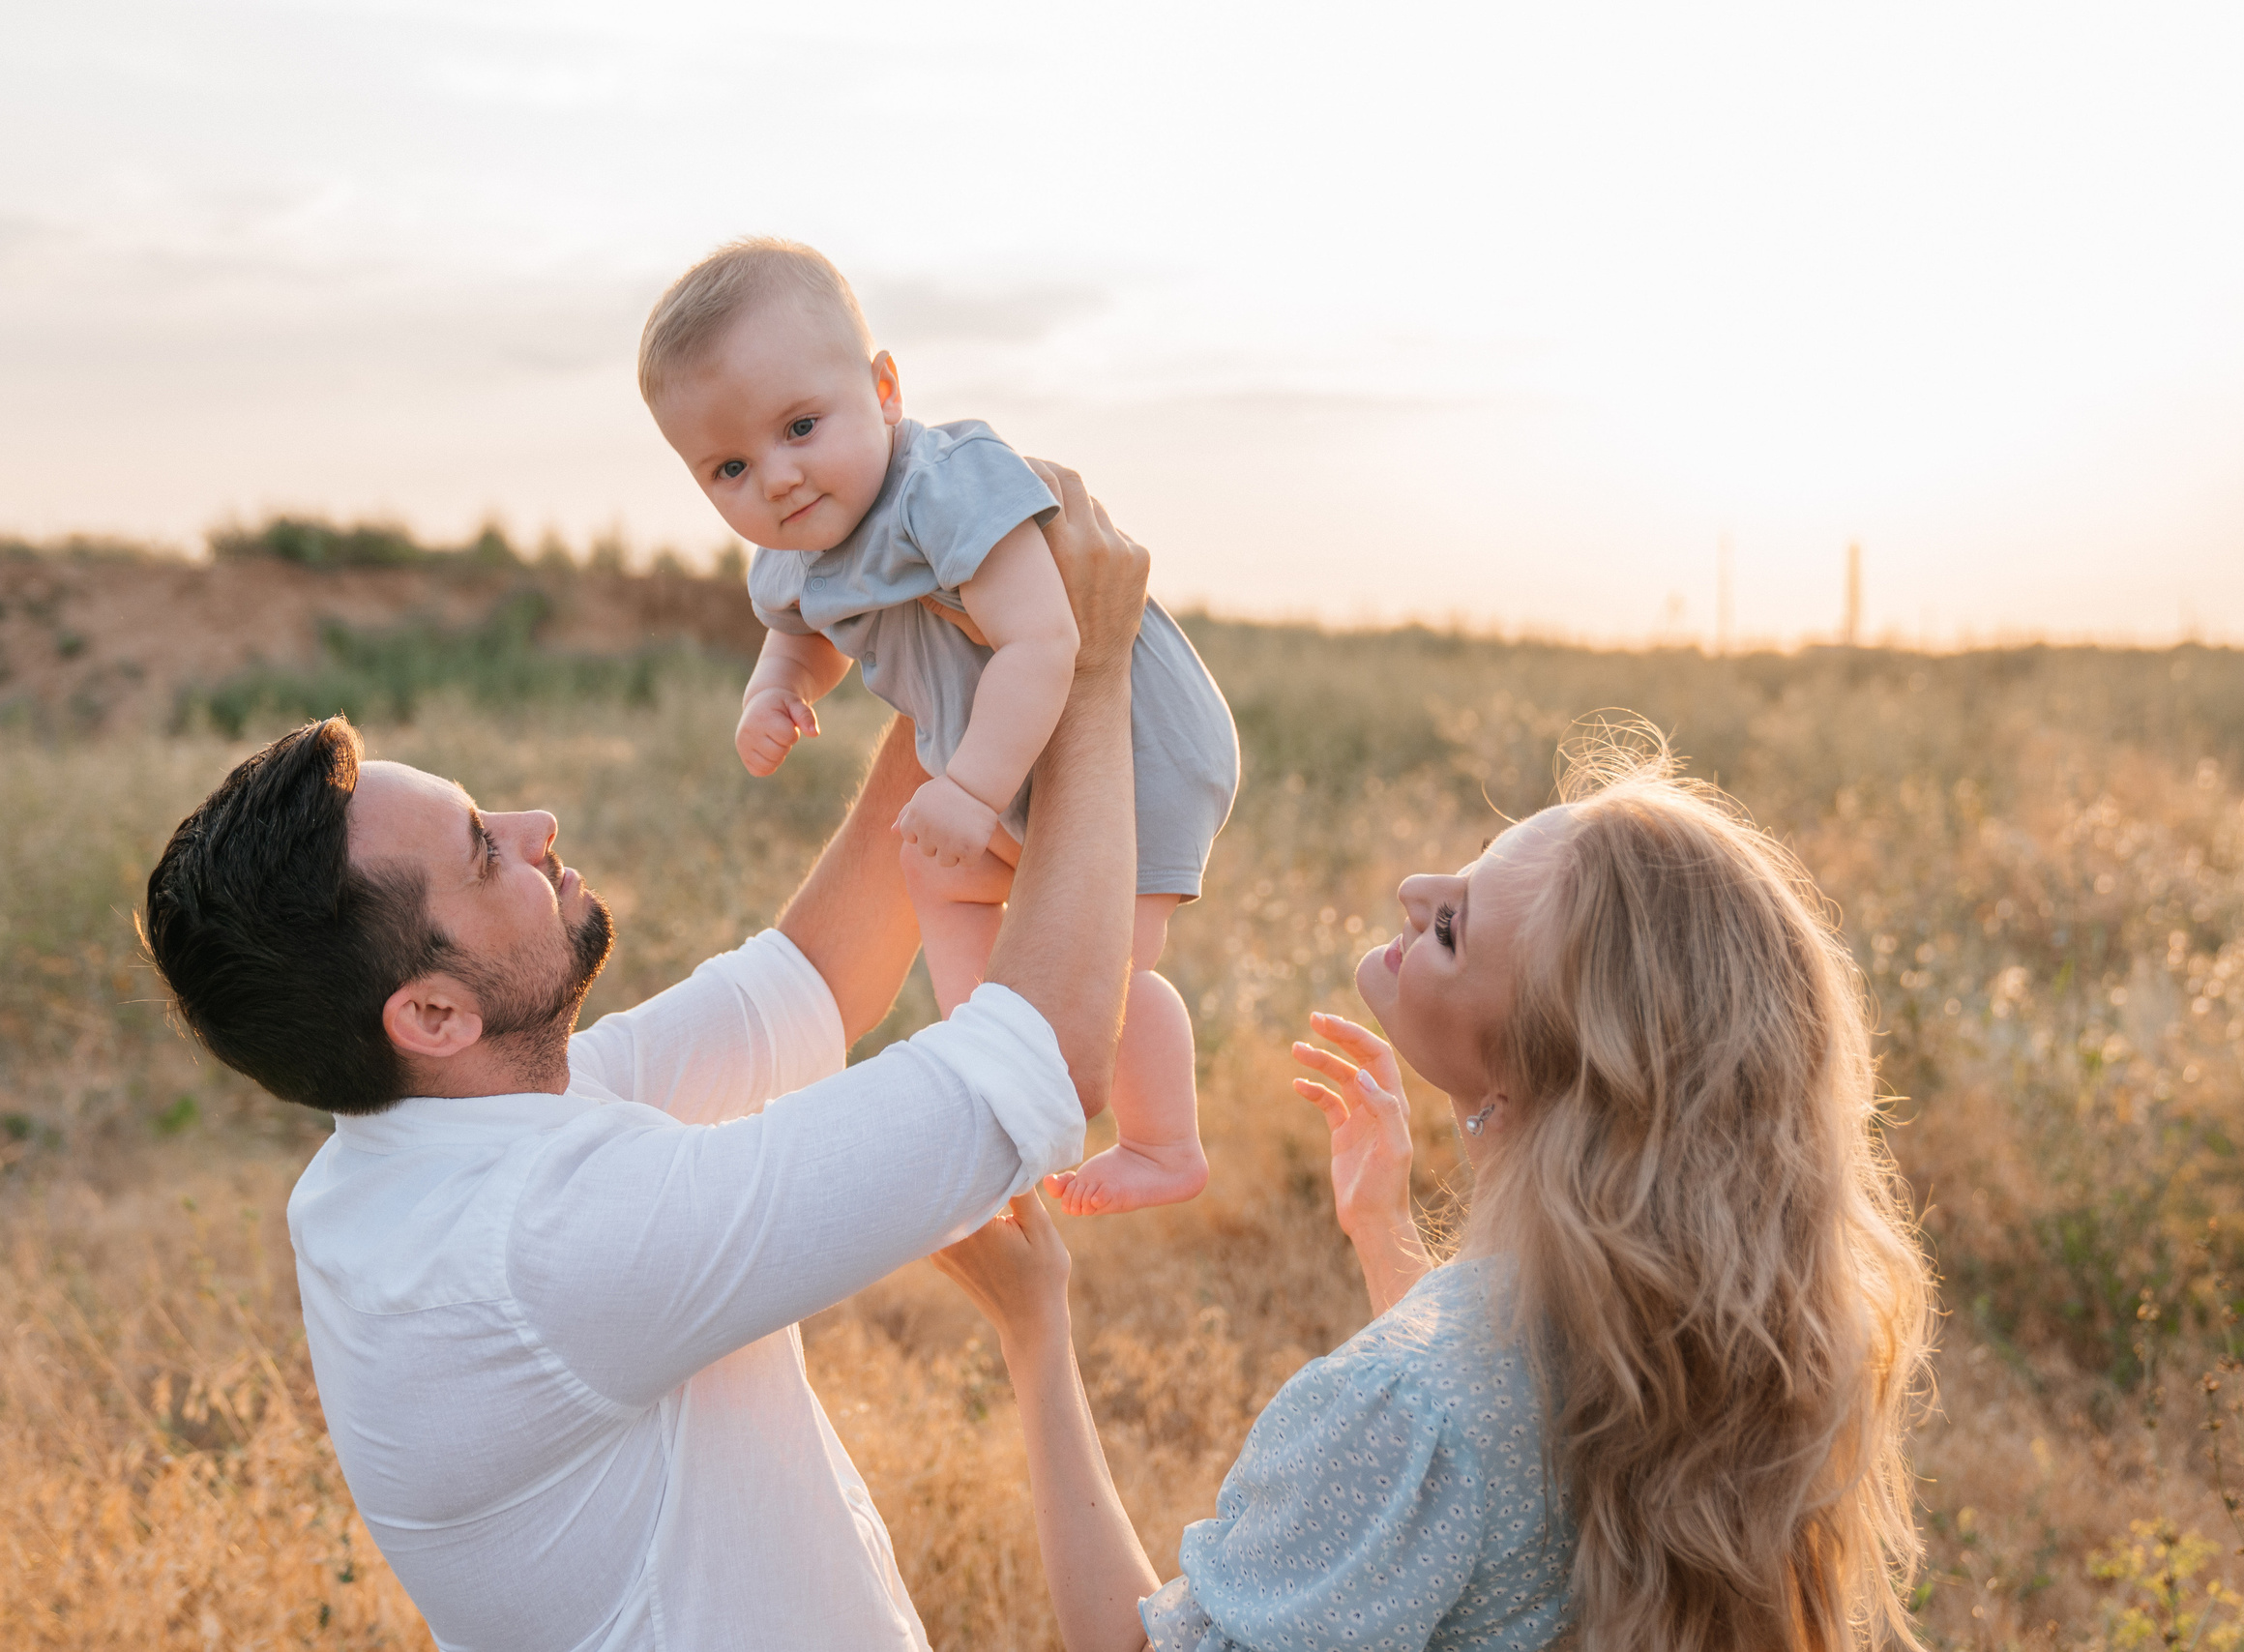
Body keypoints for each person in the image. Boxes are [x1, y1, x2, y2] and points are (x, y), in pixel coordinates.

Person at [138, 467, 1150, 1652]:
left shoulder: (442, 1130)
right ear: (432, 1015)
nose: (534, 826)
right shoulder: (539, 1248)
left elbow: (817, 977)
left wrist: (952, 625)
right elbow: (1043, 1063)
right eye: (482, 852)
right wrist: (1086, 669)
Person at [936, 733, 1936, 1652]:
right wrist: (1385, 1236)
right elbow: (1491, 1487)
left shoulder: (1401, 1402)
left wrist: (1035, 1328)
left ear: (1536, 1073)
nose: (1413, 887)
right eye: (1468, 860)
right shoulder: (1686, 1328)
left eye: (1452, 927)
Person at [638, 237, 1240, 1217]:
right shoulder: (796, 552)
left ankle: (1163, 1139)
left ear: (882, 388)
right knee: (933, 867)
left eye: (800, 426)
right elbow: (807, 635)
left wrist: (966, 788)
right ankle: (985, 1041)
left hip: (1134, 741)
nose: (778, 480)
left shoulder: (945, 486)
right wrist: (774, 692)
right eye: (730, 467)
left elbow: (1047, 641)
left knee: (1108, 955)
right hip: (1011, 755)